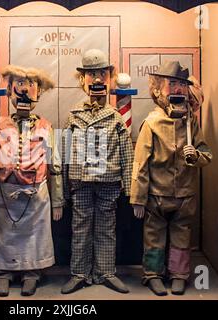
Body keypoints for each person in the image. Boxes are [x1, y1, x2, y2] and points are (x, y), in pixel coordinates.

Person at [130, 60, 212, 296]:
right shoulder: (152, 123)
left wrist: (195, 156)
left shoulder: (191, 122)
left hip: (185, 195)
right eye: (172, 83)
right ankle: (153, 274)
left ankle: (179, 274)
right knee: (153, 237)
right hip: (157, 195)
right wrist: (138, 197)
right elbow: (140, 163)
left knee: (181, 236)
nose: (177, 89)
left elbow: (206, 154)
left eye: (181, 84)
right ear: (159, 88)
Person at [0, 65, 64, 297]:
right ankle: (2, 272)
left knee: (35, 235)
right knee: (2, 235)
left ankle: (32, 272)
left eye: (30, 88)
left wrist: (57, 200)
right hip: (3, 193)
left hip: (36, 194)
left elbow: (54, 164)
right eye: (19, 86)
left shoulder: (46, 127)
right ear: (10, 91)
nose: (25, 93)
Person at [61, 49, 134, 294]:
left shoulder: (115, 117)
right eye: (91, 74)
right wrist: (62, 188)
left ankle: (105, 272)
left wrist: (130, 188)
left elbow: (126, 151)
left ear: (109, 78)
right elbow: (64, 151)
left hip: (108, 181)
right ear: (82, 80)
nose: (97, 79)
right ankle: (79, 273)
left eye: (102, 73)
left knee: (106, 227)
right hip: (80, 181)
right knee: (80, 227)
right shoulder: (74, 116)